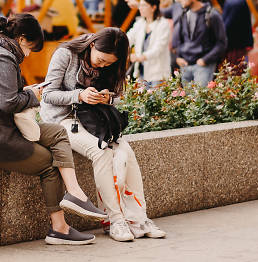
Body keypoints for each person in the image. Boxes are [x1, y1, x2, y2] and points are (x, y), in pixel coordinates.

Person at [0, 13, 105, 245]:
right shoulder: (2, 57)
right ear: (22, 39)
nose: (27, 55)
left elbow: (3, 99)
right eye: (30, 48)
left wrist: (27, 93)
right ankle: (60, 229)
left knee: (57, 132)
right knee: (48, 164)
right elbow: (9, 102)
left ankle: (75, 193)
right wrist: (32, 95)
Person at [41, 28, 166, 242]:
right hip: (62, 120)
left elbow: (118, 97)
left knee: (126, 151)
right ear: (92, 45)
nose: (102, 65)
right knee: (102, 152)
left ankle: (138, 219)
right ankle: (114, 220)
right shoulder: (66, 54)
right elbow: (47, 93)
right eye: (100, 60)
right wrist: (79, 95)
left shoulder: (111, 64)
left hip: (94, 120)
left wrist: (106, 99)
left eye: (108, 63)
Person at [172, 0, 227, 87]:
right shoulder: (184, 14)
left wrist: (205, 60)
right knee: (188, 101)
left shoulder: (212, 15)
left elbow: (222, 43)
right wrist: (178, 57)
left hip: (203, 66)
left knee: (200, 101)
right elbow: (178, 39)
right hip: (185, 65)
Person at [127, 0, 172, 88]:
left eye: (144, 5)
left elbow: (159, 48)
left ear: (153, 7)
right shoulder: (140, 23)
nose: (140, 8)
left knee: (156, 101)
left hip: (158, 74)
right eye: (140, 5)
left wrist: (139, 57)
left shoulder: (163, 24)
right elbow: (128, 38)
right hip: (141, 72)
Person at [222, 0, 255, 74]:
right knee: (236, 74)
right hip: (235, 47)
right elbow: (229, 26)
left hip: (232, 46)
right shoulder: (238, 2)